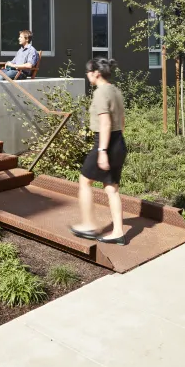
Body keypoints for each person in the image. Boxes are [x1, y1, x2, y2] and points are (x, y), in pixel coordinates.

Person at [71, 57, 127, 245]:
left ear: (96, 72)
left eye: (88, 72)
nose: (87, 76)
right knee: (111, 188)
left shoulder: (101, 92)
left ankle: (88, 225)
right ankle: (118, 232)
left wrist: (102, 151)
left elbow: (105, 122)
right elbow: (122, 120)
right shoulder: (115, 91)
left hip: (105, 143)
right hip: (118, 141)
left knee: (84, 181)